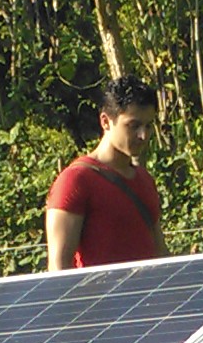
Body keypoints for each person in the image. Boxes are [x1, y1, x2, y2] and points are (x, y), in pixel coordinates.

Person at [46, 75, 167, 270]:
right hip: (99, 299)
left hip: (148, 298)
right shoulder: (75, 180)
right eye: (133, 125)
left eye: (148, 126)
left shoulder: (144, 180)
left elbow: (161, 255)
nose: (143, 135)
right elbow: (59, 268)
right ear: (105, 121)